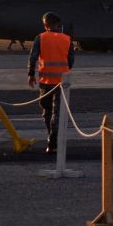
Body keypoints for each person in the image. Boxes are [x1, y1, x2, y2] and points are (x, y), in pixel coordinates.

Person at [27, 12, 74, 154]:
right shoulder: (67, 39)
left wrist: (31, 74)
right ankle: (53, 140)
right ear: (58, 24)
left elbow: (33, 57)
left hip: (45, 81)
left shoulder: (40, 38)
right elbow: (71, 60)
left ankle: (51, 137)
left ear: (45, 24)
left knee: (46, 111)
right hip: (62, 81)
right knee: (57, 112)